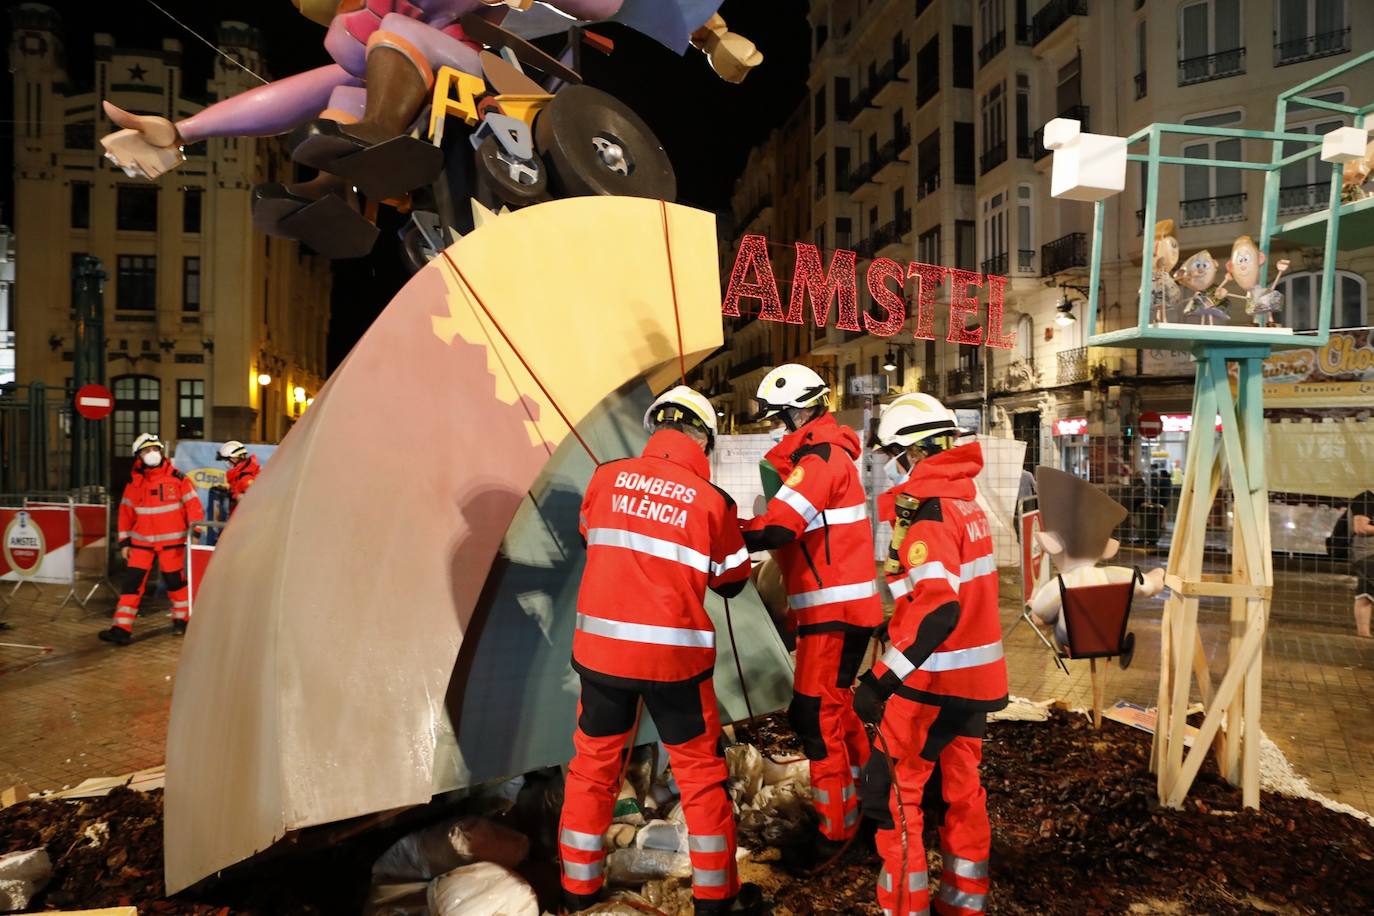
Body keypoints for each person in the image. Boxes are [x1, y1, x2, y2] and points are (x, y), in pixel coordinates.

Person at [558, 386, 761, 916]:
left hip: (602, 659)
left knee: (592, 771)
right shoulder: (713, 501)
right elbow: (733, 582)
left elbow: (591, 537)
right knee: (699, 776)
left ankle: (578, 892)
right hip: (675, 665)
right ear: (705, 440)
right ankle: (717, 900)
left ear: (656, 431)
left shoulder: (605, 478)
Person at [851, 395, 1005, 916]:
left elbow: (938, 611)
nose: (890, 464)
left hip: (930, 684)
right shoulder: (966, 500)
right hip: (974, 683)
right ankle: (964, 903)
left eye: (893, 454)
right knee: (963, 793)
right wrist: (895, 619)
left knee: (895, 799)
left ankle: (905, 906)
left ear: (912, 453)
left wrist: (879, 680)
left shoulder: (929, 514)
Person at [741, 364, 881, 851]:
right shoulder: (827, 454)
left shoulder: (819, 459)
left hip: (832, 615)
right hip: (844, 611)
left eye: (779, 420)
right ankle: (871, 799)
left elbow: (779, 528)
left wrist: (721, 526)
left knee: (814, 719)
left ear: (800, 411)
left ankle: (836, 830)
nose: (777, 430)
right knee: (835, 710)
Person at [1027, 467, 1165, 655]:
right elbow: (1146, 587)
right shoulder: (1110, 574)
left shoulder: (1063, 583)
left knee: (1041, 616)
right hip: (1108, 639)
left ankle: (1064, 645)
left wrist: (1036, 606)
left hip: (1072, 642)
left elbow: (1042, 611)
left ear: (1052, 545)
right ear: (1108, 548)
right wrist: (1158, 574)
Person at [100, 434, 204, 645]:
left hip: (172, 544)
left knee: (175, 583)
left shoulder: (178, 478)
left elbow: (193, 506)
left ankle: (182, 620)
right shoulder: (134, 483)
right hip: (141, 544)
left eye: (155, 449)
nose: (152, 454)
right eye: (147, 451)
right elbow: (125, 514)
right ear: (138, 456)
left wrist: (196, 532)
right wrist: (124, 543)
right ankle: (121, 628)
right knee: (131, 585)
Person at [1349, 490, 1374, 639]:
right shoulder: (1365, 499)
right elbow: (1360, 528)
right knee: (1366, 594)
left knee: (1366, 593)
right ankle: (1364, 636)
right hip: (1368, 554)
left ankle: (1364, 635)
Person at [218, 441, 261, 515]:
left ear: (234, 458)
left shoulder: (245, 477)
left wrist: (236, 496)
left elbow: (253, 500)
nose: (226, 463)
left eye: (226, 460)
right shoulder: (240, 474)